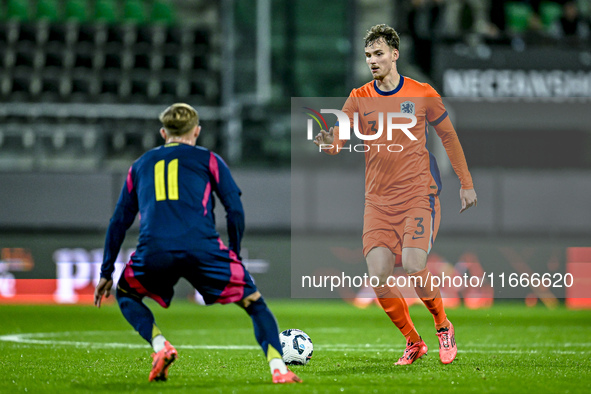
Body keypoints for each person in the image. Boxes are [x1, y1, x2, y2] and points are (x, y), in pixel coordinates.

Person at [94, 103, 301, 384]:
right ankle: (278, 368)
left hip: (154, 249)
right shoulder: (209, 160)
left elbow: (119, 221)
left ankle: (160, 346)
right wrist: (235, 254)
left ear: (163, 132)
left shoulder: (139, 166)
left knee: (126, 295)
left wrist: (106, 271)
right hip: (202, 247)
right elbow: (235, 210)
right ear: (197, 131)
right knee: (254, 304)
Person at [314, 24, 477, 365]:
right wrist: (329, 144)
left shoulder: (422, 93)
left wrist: (466, 183)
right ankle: (413, 342)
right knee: (377, 277)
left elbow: (448, 137)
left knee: (415, 267)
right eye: (368, 56)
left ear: (395, 54)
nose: (372, 61)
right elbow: (339, 140)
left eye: (378, 54)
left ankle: (442, 325)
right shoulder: (358, 98)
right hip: (377, 202)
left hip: (418, 196)